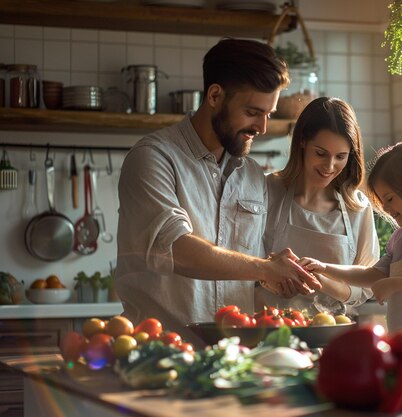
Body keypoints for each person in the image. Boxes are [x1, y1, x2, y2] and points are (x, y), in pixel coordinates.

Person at [115, 38, 321, 345]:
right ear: (214, 95)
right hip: (162, 353)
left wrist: (271, 276)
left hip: (235, 356)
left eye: (269, 113)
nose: (262, 127)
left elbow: (240, 265)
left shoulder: (251, 174)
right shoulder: (153, 158)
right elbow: (177, 251)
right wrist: (264, 268)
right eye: (253, 112)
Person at [299, 141, 402, 335]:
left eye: (389, 199)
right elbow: (372, 274)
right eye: (382, 201)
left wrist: (395, 283)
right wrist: (324, 267)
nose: (385, 208)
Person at [256, 97, 379, 316]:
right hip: (269, 332)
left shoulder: (357, 207)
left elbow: (365, 286)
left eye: (340, 156)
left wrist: (318, 279)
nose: (330, 166)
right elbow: (242, 261)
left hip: (332, 335)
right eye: (321, 153)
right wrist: (268, 276)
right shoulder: (266, 191)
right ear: (302, 141)